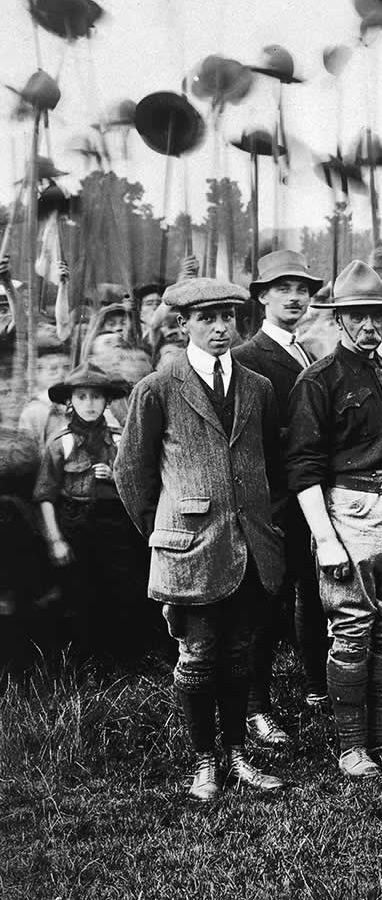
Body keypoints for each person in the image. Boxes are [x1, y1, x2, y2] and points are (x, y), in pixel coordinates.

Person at [114, 278, 288, 800]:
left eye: (228, 318)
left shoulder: (258, 388)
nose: (219, 328)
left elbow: (273, 468)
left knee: (240, 654)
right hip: (189, 551)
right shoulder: (158, 387)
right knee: (197, 656)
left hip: (250, 548)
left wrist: (264, 523)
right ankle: (204, 761)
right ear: (182, 324)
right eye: (207, 318)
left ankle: (236, 754)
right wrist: (165, 530)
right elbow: (131, 474)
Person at [284, 260, 382, 778]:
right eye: (358, 316)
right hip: (350, 513)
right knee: (352, 630)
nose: (370, 326)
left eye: (378, 316)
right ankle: (352, 746)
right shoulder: (317, 381)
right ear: (339, 320)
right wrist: (324, 539)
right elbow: (302, 468)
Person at [232, 248, 325, 727]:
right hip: (272, 500)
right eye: (283, 289)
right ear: (262, 297)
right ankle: (254, 708)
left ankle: (316, 687)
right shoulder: (247, 357)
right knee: (267, 603)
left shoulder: (305, 351)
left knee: (315, 591)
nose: (295, 297)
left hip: (310, 496)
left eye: (303, 289)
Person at [35, 364, 156, 672]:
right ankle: (86, 666)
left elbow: (143, 482)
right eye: (82, 396)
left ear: (106, 402)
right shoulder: (60, 442)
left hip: (117, 526)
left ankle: (127, 661)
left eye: (97, 397)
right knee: (81, 596)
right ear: (70, 402)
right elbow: (45, 496)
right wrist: (56, 541)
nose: (89, 404)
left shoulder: (121, 439)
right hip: (76, 525)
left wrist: (116, 476)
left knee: (123, 591)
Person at [17, 344, 71, 450]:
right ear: (37, 372)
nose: (61, 374)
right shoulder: (34, 410)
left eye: (66, 368)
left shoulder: (75, 402)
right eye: (53, 369)